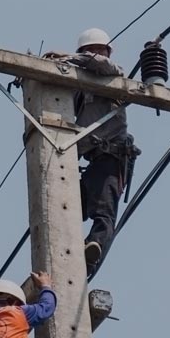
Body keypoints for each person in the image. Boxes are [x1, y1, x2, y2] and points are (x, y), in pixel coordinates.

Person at [45, 28, 140, 275]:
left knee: (104, 213)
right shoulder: (79, 87)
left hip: (112, 159)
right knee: (64, 207)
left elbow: (101, 64)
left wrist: (68, 57)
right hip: (91, 163)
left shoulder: (113, 75)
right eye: (90, 50)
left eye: (99, 50)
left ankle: (92, 253)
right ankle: (67, 254)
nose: (95, 53)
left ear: (107, 52)